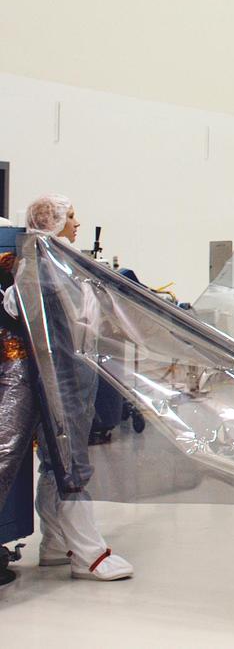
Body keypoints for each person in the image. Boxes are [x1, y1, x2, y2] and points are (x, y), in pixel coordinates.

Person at [4, 195, 133, 580]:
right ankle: (88, 553)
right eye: (71, 216)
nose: (77, 223)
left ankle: (57, 543)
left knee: (55, 464)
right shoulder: (43, 269)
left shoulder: (57, 264)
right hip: (62, 382)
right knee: (71, 463)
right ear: (51, 220)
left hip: (73, 379)